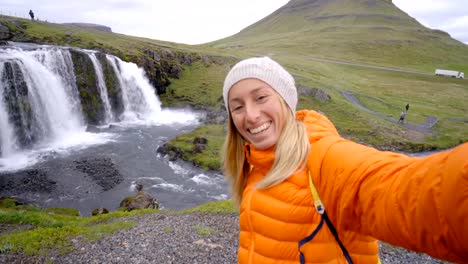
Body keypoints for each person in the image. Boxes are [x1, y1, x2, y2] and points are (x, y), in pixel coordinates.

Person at [221, 56, 468, 264]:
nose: (251, 116)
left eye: (261, 97)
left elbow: (414, 193)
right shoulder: (254, 163)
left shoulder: (324, 157)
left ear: (285, 101)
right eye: (237, 107)